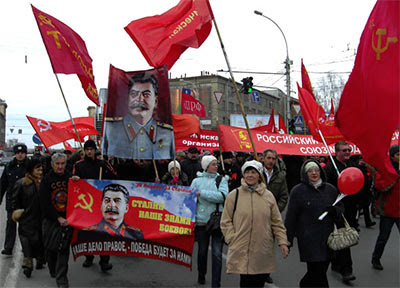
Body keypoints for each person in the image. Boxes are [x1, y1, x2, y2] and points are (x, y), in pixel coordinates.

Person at [220, 160, 289, 288]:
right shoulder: (234, 195)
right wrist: (231, 238)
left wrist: (282, 242)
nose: (250, 175)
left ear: (259, 175)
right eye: (247, 172)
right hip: (242, 247)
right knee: (246, 282)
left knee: (259, 281)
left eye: (253, 172)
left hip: (262, 248)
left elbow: (276, 222)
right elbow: (225, 221)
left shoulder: (268, 196)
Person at [285, 160, 343, 287]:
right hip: (308, 239)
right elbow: (291, 217)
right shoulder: (297, 191)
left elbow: (340, 209)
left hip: (328, 239)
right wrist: (287, 240)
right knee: (318, 273)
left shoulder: (330, 189)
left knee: (319, 271)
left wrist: (335, 211)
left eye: (316, 170)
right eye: (310, 171)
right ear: (305, 174)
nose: (314, 173)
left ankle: (304, 284)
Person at [103, 72, 174, 159]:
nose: (140, 99)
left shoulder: (166, 133)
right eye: (134, 94)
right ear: (127, 98)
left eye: (146, 94)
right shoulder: (112, 129)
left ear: (156, 101)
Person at [73, 139, 114, 272]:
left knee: (103, 232)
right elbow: (74, 181)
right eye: (87, 149)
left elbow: (114, 177)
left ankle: (104, 261)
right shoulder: (79, 166)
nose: (89, 152)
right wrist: (75, 179)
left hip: (101, 203)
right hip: (86, 205)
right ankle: (88, 256)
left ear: (95, 150)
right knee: (87, 232)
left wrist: (106, 176)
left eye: (91, 149)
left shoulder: (102, 164)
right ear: (84, 151)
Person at [191, 155, 229, 287]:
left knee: (217, 254)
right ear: (206, 166)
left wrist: (202, 194)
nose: (216, 166)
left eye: (216, 164)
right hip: (201, 221)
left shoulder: (221, 180)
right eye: (213, 164)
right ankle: (201, 273)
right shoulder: (196, 181)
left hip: (217, 221)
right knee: (202, 252)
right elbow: (191, 198)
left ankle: (216, 283)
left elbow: (223, 196)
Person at [324, 141, 358, 283]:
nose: (347, 152)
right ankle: (347, 270)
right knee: (344, 238)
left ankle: (336, 263)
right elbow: (327, 189)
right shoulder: (330, 168)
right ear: (336, 152)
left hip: (351, 207)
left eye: (348, 150)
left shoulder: (353, 166)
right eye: (344, 150)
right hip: (337, 207)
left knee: (342, 234)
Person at [40, 153, 73, 288]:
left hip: (66, 220)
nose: (60, 166)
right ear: (53, 164)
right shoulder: (46, 180)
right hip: (51, 220)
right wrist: (57, 217)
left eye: (62, 163)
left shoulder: (69, 178)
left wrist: (77, 181)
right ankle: (52, 268)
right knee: (51, 248)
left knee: (63, 249)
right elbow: (44, 203)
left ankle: (62, 279)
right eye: (57, 164)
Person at [11, 158, 45, 278]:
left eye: (41, 169)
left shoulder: (44, 182)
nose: (40, 172)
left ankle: (40, 258)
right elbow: (15, 200)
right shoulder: (21, 183)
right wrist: (18, 213)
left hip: (41, 218)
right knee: (26, 241)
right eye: (37, 169)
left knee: (38, 240)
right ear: (31, 170)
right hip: (26, 218)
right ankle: (28, 263)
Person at [76, 184, 144, 241]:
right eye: (107, 200)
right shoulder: (86, 233)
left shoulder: (136, 234)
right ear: (101, 206)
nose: (111, 205)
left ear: (126, 208)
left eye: (117, 200)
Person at [371, 144, 400, 270]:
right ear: (392, 157)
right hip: (387, 210)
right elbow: (379, 186)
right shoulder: (385, 169)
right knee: (383, 237)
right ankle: (376, 259)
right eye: (398, 154)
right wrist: (394, 176)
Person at [0, 143, 30, 256]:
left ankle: (26, 246)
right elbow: (3, 184)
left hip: (26, 200)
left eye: (22, 153)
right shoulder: (9, 166)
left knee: (25, 225)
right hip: (12, 200)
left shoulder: (30, 166)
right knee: (10, 224)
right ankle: (8, 247)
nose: (20, 155)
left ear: (25, 154)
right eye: (18, 153)